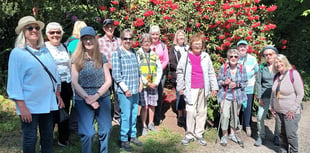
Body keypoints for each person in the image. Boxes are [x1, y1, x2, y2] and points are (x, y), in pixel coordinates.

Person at [7, 16, 62, 153]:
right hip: (29, 105)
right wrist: (21, 106)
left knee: (48, 138)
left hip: (48, 104)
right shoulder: (17, 53)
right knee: (30, 139)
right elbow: (14, 82)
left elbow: (54, 74)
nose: (34, 30)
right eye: (29, 28)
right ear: (23, 32)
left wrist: (57, 94)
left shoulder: (45, 50)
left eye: (36, 28)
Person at [71, 26, 112, 153]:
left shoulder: (102, 57)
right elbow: (74, 82)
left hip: (102, 97)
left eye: (90, 38)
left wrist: (96, 96)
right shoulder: (76, 58)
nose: (88, 41)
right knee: (88, 133)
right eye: (85, 39)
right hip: (83, 98)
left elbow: (108, 80)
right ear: (82, 42)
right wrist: (87, 98)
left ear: (95, 39)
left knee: (105, 130)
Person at [176, 33, 218, 146]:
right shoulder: (185, 56)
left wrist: (214, 87)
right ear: (191, 45)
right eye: (195, 44)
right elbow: (179, 71)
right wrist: (180, 86)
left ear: (202, 45)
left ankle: (199, 133)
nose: (197, 46)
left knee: (202, 111)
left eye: (199, 44)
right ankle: (189, 134)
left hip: (203, 88)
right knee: (190, 111)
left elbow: (211, 72)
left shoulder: (205, 56)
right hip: (191, 88)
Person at [112, 29, 143, 152]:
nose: (128, 40)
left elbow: (138, 70)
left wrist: (140, 83)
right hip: (124, 91)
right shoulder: (117, 53)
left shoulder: (133, 51)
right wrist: (125, 89)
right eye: (125, 38)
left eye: (130, 38)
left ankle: (133, 135)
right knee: (126, 115)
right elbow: (116, 74)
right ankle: (124, 139)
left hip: (135, 89)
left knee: (134, 114)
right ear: (121, 39)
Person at [45, 22, 72, 147]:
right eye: (52, 32)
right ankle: (46, 141)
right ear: (47, 34)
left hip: (65, 84)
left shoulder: (64, 47)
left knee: (65, 112)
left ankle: (63, 139)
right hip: (50, 86)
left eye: (58, 32)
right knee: (49, 114)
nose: (55, 35)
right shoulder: (43, 48)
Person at [270, 54, 304, 153]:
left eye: (280, 61)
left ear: (285, 62)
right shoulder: (276, 76)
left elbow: (300, 93)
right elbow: (273, 93)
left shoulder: (293, 74)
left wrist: (292, 109)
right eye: (276, 62)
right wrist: (272, 107)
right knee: (281, 135)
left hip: (291, 112)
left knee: (291, 135)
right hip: (278, 112)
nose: (278, 64)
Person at [216, 49, 248, 146]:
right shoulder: (224, 67)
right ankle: (224, 135)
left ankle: (233, 134)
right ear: (228, 57)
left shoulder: (242, 68)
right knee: (225, 115)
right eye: (231, 56)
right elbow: (218, 81)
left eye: (235, 56)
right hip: (225, 95)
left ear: (238, 58)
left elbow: (245, 82)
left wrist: (237, 84)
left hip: (237, 96)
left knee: (235, 115)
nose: (233, 58)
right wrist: (224, 82)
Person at [136, 33, 163, 136]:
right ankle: (143, 125)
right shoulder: (138, 54)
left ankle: (151, 123)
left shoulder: (154, 54)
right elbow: (138, 70)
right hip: (143, 85)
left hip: (153, 84)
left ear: (151, 43)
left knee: (152, 105)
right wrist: (146, 82)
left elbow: (159, 69)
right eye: (144, 41)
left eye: (148, 41)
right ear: (141, 43)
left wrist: (156, 82)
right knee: (144, 105)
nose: (146, 43)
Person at [254, 46, 279, 146]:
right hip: (264, 95)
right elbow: (258, 83)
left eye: (270, 54)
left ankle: (277, 135)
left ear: (275, 55)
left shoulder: (279, 66)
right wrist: (259, 96)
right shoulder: (262, 67)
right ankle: (261, 135)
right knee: (260, 116)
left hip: (277, 96)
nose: (268, 56)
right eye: (266, 55)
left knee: (278, 117)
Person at [98, 18, 122, 125]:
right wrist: (108, 65)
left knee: (118, 94)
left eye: (112, 26)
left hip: (117, 72)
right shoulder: (99, 42)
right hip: (105, 72)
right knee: (105, 94)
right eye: (107, 27)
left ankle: (117, 117)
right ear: (104, 28)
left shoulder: (119, 41)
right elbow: (98, 58)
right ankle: (105, 116)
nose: (110, 28)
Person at [66, 20, 87, 134]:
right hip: (77, 74)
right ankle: (74, 125)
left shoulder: (70, 41)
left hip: (74, 74)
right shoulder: (76, 43)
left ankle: (75, 124)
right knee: (77, 99)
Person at [236, 40, 259, 136]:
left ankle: (248, 126)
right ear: (238, 48)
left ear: (247, 48)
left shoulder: (252, 59)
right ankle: (239, 125)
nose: (242, 48)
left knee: (247, 107)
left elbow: (257, 72)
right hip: (237, 88)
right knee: (238, 106)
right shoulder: (235, 58)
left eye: (244, 47)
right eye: (240, 47)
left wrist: (256, 85)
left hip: (249, 87)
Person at [168, 29, 189, 127]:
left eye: (182, 36)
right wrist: (181, 70)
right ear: (176, 38)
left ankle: (186, 114)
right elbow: (172, 63)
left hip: (188, 76)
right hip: (177, 76)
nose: (181, 37)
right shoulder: (173, 49)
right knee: (180, 95)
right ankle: (180, 115)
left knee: (187, 95)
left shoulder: (188, 48)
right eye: (179, 36)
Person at [149, 25, 169, 125]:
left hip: (161, 73)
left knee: (159, 94)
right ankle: (149, 118)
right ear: (150, 35)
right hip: (149, 72)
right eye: (153, 34)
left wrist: (159, 70)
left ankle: (157, 116)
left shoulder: (163, 46)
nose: (155, 36)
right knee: (149, 93)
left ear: (159, 35)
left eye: (157, 34)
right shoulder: (147, 45)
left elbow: (166, 60)